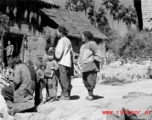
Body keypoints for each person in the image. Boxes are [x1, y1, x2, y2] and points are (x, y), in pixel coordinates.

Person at [79, 31, 101, 101]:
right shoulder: (83, 46)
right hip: (84, 67)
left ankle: (90, 95)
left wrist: (93, 61)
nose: (81, 37)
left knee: (90, 81)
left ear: (86, 36)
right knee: (85, 81)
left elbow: (97, 53)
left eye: (82, 36)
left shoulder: (92, 44)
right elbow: (81, 56)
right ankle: (90, 93)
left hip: (91, 66)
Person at [55, 26, 73, 100]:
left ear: (60, 32)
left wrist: (56, 57)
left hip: (62, 61)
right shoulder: (68, 40)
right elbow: (71, 51)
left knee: (63, 79)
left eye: (57, 32)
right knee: (67, 78)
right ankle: (67, 94)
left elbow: (59, 51)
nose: (57, 33)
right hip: (68, 62)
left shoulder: (61, 41)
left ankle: (65, 95)